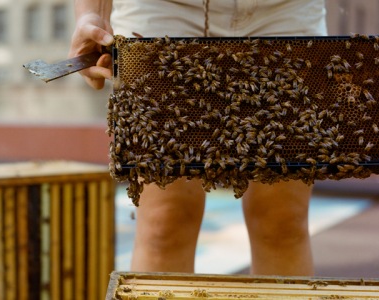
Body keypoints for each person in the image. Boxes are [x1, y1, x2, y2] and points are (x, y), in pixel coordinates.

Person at [69, 0, 327, 276]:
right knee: (165, 222)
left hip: (283, 10)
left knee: (282, 221)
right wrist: (92, 14)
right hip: (165, 9)